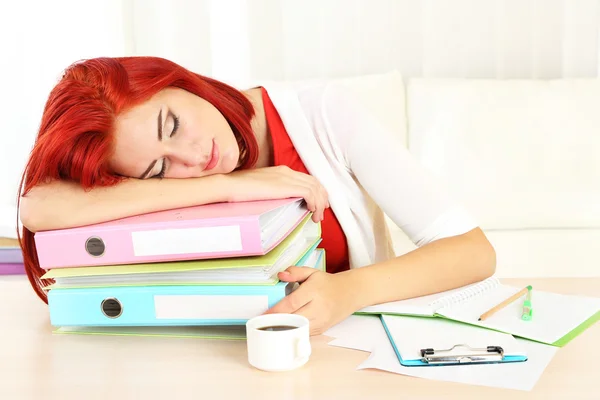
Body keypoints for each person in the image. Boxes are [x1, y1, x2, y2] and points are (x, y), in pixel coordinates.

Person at [18, 56, 496, 335]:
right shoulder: (178, 177)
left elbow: (472, 251)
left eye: (174, 125)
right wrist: (226, 186)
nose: (192, 157)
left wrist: (349, 290)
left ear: (179, 81)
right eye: (160, 168)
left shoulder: (321, 114)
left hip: (338, 353)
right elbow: (37, 206)